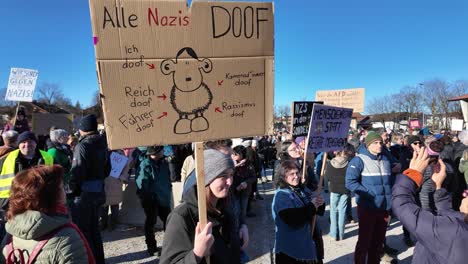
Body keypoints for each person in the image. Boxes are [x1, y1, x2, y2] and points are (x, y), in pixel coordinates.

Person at [160, 149, 249, 264]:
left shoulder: (225, 203)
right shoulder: (182, 217)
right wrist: (196, 254)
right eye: (223, 175)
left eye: (231, 174)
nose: (230, 182)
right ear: (207, 178)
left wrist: (242, 226)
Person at [0, 165, 94, 263]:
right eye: (62, 188)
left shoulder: (10, 234)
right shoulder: (67, 238)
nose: (65, 192)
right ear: (50, 196)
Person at [392, 147, 468, 264]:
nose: (465, 195)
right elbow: (451, 217)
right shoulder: (460, 225)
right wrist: (439, 187)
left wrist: (412, 174)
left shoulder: (453, 231)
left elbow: (402, 205)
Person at [346, 131, 392, 264]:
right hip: (367, 207)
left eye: (381, 143)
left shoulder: (385, 159)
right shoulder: (359, 160)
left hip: (384, 207)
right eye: (376, 143)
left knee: (378, 243)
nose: (379, 145)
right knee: (364, 242)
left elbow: (390, 181)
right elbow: (350, 182)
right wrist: (368, 193)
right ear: (368, 144)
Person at [69, 114, 108, 264]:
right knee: (95, 230)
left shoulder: (82, 146)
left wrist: (72, 190)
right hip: (99, 191)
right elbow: (107, 169)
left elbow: (77, 172)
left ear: (83, 129)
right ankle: (99, 260)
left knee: (85, 231)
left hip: (84, 194)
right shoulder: (103, 143)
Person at [272, 160, 324, 264]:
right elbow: (293, 220)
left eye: (297, 173)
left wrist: (319, 204)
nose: (296, 176)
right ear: (283, 176)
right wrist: (312, 206)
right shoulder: (281, 195)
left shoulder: (300, 190)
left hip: (307, 243)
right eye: (292, 174)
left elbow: (314, 211)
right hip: (291, 249)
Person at [136, 145, 172, 256]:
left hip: (163, 197)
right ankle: (151, 247)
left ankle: (170, 246)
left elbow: (168, 178)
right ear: (156, 153)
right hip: (151, 199)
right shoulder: (145, 165)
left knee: (169, 221)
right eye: (161, 150)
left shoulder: (164, 163)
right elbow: (142, 184)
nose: (163, 152)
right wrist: (148, 198)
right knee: (151, 222)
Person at [324, 144, 355, 241]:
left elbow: (327, 177)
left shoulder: (330, 163)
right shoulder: (349, 162)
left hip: (334, 189)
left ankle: (334, 233)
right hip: (345, 189)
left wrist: (326, 187)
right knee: (342, 211)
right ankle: (341, 234)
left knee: (333, 211)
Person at [101, 148, 133, 231]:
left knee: (107, 205)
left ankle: (104, 224)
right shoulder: (120, 154)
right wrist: (121, 178)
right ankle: (112, 225)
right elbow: (127, 168)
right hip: (115, 181)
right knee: (112, 205)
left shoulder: (102, 152)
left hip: (108, 181)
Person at [47, 129, 73, 207]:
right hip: (59, 183)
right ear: (58, 138)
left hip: (66, 181)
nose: (68, 138)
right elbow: (53, 169)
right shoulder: (53, 152)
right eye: (65, 136)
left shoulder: (64, 149)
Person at [232, 145, 257, 219]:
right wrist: (236, 166)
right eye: (233, 154)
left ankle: (242, 226)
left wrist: (246, 182)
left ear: (241, 154)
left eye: (235, 154)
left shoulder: (248, 164)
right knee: (235, 210)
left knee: (243, 210)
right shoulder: (231, 163)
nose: (233, 156)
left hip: (245, 192)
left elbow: (253, 177)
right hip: (234, 191)